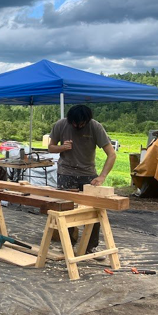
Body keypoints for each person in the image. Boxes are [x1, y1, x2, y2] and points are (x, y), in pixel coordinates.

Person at [48, 105, 116, 257]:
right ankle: (67, 245)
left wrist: (102, 176)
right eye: (74, 123)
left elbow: (111, 154)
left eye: (81, 124)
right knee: (66, 211)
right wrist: (62, 148)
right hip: (66, 173)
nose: (77, 126)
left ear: (87, 120)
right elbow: (50, 147)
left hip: (88, 176)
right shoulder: (61, 124)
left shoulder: (95, 127)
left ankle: (90, 246)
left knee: (93, 212)